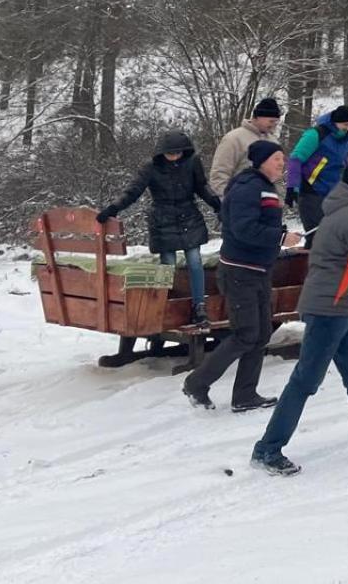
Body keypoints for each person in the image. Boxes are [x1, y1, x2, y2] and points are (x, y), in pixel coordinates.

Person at [251, 161, 348, 477]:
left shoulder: (338, 210)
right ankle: (267, 449)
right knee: (306, 380)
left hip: (340, 305)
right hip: (331, 307)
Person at [182, 140, 299, 410]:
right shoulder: (249, 188)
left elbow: (257, 223)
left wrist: (280, 234)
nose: (282, 163)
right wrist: (281, 237)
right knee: (246, 334)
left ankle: (245, 395)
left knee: (260, 335)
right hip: (239, 271)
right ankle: (196, 383)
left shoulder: (264, 188)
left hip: (257, 270)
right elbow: (244, 228)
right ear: (260, 162)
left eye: (283, 159)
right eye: (276, 159)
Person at [97, 131, 220, 327]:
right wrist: (114, 208)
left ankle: (199, 306)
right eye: (169, 153)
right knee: (168, 265)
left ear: (183, 152)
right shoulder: (151, 168)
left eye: (177, 153)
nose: (173, 157)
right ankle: (167, 304)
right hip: (163, 219)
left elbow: (201, 186)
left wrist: (216, 204)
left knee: (195, 261)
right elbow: (133, 191)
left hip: (188, 216)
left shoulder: (192, 163)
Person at [285, 104, 348, 246]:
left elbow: (343, 165)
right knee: (320, 236)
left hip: (332, 193)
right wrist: (292, 186)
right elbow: (296, 158)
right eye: (345, 124)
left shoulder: (346, 139)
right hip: (311, 190)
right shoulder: (316, 134)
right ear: (336, 122)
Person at [208, 96, 283, 196]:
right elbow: (219, 174)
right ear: (258, 117)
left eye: (276, 121)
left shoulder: (273, 142)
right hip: (240, 202)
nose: (274, 125)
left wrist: (279, 199)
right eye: (271, 121)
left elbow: (277, 176)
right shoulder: (234, 139)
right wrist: (231, 199)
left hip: (268, 203)